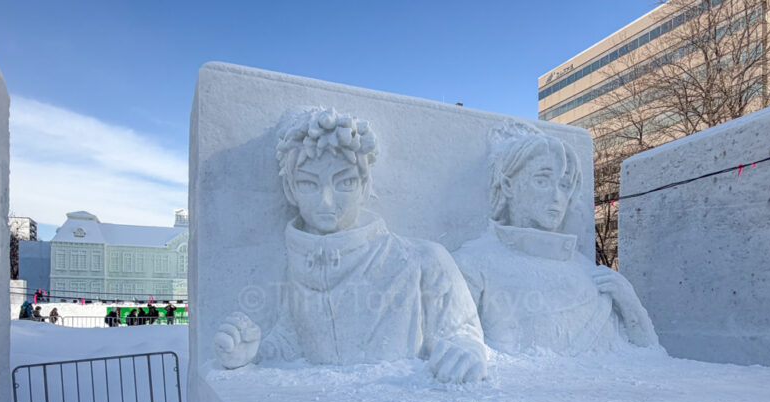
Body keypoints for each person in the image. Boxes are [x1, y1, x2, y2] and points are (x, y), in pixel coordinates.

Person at [214, 107, 487, 383]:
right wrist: (249, 353)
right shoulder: (291, 267)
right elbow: (293, 342)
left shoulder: (423, 260)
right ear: (290, 190)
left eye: (344, 183)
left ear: (365, 185)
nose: (326, 203)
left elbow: (461, 333)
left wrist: (467, 351)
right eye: (309, 184)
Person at [453, 125, 658, 355]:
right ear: (508, 185)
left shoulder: (590, 272)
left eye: (564, 185)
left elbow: (650, 357)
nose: (556, 197)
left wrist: (630, 304)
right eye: (542, 181)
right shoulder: (473, 263)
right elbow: (452, 339)